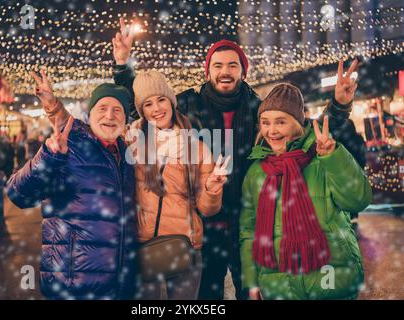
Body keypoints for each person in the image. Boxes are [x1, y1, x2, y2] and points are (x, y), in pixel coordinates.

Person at [111, 18, 367, 299]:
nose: (225, 71)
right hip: (204, 227)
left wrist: (339, 106)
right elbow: (147, 106)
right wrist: (123, 67)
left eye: (233, 65)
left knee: (251, 293)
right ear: (207, 72)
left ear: (243, 72)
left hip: (252, 224)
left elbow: (304, 134)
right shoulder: (188, 106)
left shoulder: (260, 110)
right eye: (218, 66)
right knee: (206, 299)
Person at [6, 75, 138, 300]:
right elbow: (18, 194)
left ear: (125, 120)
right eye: (102, 108)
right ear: (90, 115)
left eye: (117, 110)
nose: (109, 115)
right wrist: (48, 157)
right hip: (74, 285)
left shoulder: (128, 157)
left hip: (119, 286)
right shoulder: (70, 148)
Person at [240, 84, 372, 300]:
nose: (271, 131)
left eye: (280, 122)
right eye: (265, 123)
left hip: (331, 277)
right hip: (279, 283)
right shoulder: (256, 172)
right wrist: (251, 281)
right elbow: (248, 230)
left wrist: (332, 158)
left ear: (297, 124)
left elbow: (359, 200)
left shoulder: (323, 157)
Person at [129, 70, 228, 299]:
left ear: (172, 101)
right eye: (148, 104)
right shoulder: (132, 144)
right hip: (143, 246)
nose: (156, 109)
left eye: (161, 99)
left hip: (186, 247)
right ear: (142, 111)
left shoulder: (197, 148)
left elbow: (207, 208)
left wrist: (212, 188)